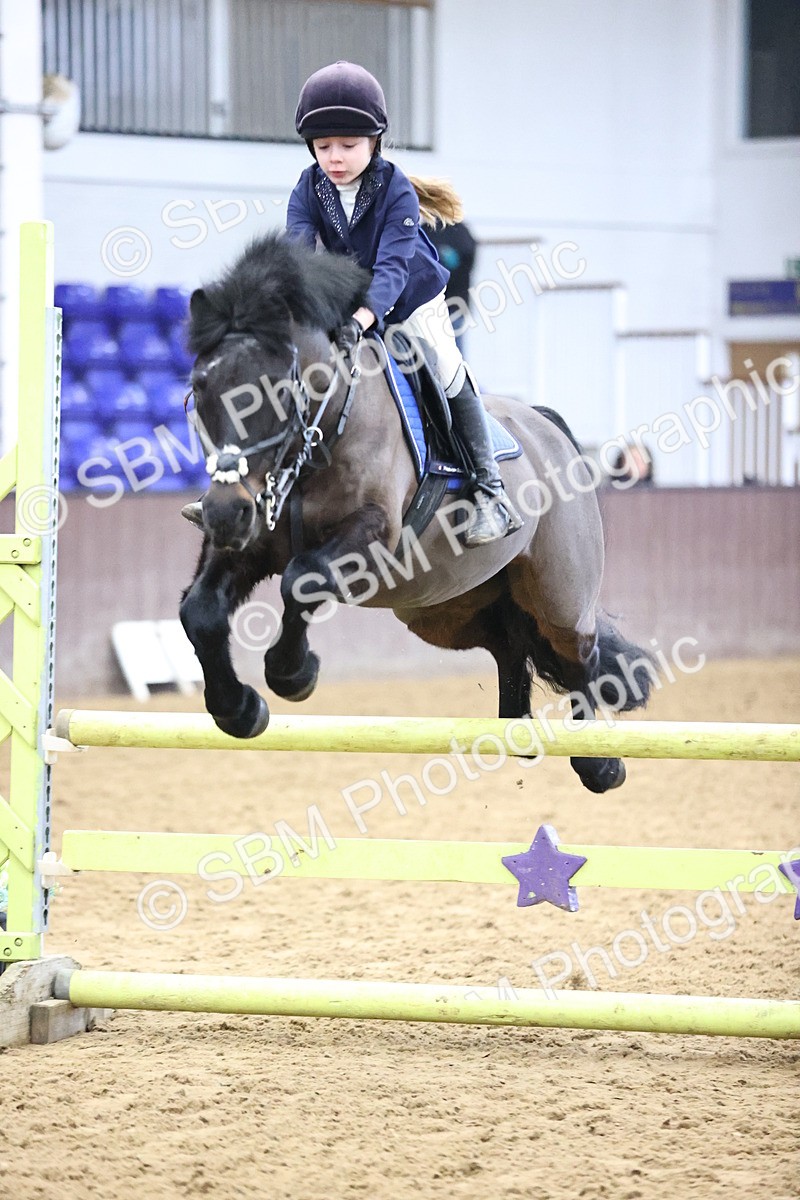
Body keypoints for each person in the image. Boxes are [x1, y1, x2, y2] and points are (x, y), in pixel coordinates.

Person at [285, 60, 522, 547]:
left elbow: (392, 270)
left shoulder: (395, 191)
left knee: (446, 367)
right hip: (349, 299)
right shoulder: (308, 189)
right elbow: (297, 257)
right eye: (323, 146)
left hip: (412, 298)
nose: (334, 157)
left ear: (374, 142)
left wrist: (360, 319)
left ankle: (490, 491)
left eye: (347, 146)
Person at [428, 220, 477, 354]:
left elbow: (467, 262)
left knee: (452, 353)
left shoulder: (459, 233)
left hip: (452, 305)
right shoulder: (429, 230)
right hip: (434, 307)